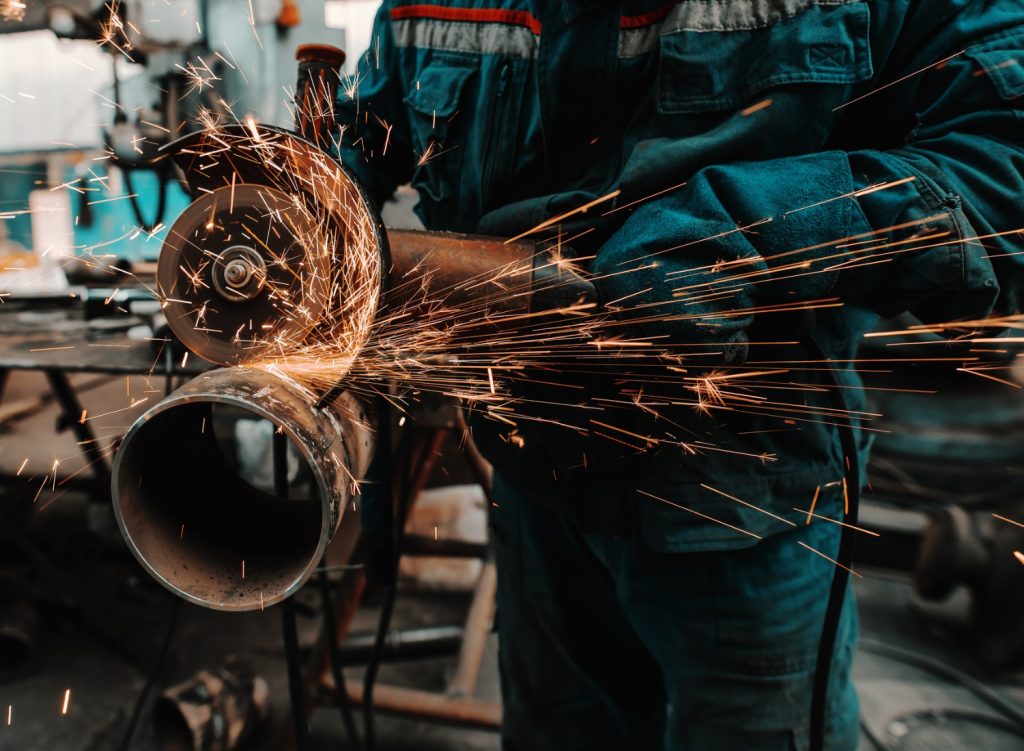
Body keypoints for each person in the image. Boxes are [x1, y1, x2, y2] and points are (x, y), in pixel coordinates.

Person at [336, 1, 1024, 748]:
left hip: (739, 503)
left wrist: (753, 230)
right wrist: (317, 191)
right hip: (534, 493)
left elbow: (1004, 157)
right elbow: (373, 133)